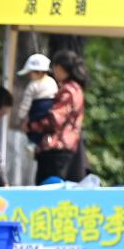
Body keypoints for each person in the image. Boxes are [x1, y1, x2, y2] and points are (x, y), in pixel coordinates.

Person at [25, 50, 87, 185]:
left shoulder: (68, 90)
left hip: (56, 149)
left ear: (60, 67)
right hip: (68, 147)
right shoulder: (77, 89)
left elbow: (55, 119)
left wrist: (31, 126)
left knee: (47, 188)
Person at [15, 53, 58, 146]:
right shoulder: (52, 81)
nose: (29, 76)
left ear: (39, 72)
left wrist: (21, 117)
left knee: (33, 132)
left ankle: (33, 143)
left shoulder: (32, 85)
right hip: (51, 113)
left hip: (37, 111)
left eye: (30, 73)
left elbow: (26, 104)